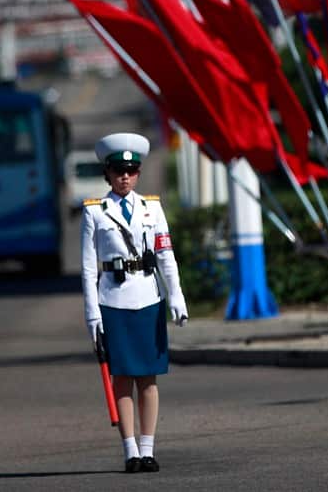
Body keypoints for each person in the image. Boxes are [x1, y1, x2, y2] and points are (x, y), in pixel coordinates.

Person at [80, 132, 188, 474]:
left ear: (138, 173)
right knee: (123, 377)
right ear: (107, 175)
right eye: (117, 171)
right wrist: (92, 315)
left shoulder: (152, 208)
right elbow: (87, 269)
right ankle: (130, 452)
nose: (124, 177)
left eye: (130, 170)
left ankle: (148, 448)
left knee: (149, 378)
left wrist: (177, 296)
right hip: (113, 301)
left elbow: (165, 255)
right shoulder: (95, 213)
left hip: (148, 298)